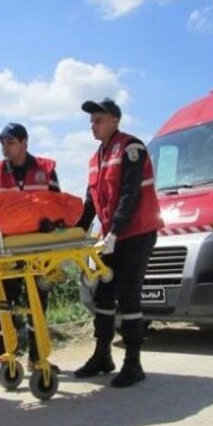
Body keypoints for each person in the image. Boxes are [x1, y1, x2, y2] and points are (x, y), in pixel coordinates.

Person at [74, 98, 163, 388]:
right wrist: (74, 233)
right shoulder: (95, 158)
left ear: (115, 120)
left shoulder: (131, 148)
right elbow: (91, 203)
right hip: (111, 236)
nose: (93, 125)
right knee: (103, 295)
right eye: (91, 121)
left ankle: (133, 363)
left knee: (128, 295)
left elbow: (130, 194)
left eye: (98, 120)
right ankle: (102, 356)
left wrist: (114, 232)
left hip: (136, 233)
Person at [0, 122, 61, 383]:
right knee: (4, 305)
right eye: (2, 143)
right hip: (6, 249)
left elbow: (57, 204)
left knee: (38, 304)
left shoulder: (46, 170)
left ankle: (38, 358)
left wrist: (52, 223)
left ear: (24, 142)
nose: (5, 147)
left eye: (10, 142)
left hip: (39, 249)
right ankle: (4, 360)